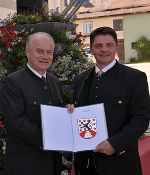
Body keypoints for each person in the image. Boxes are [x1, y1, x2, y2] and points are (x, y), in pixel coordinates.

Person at [73, 27, 150, 175]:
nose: (104, 50)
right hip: (86, 164)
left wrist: (114, 144)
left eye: (109, 45)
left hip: (120, 164)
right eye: (98, 46)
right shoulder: (81, 79)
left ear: (116, 47)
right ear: (92, 49)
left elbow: (141, 120)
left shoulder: (134, 78)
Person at [1, 32, 70, 175]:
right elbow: (16, 123)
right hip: (26, 165)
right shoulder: (13, 82)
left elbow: (54, 113)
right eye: (40, 51)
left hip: (52, 164)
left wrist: (67, 112)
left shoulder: (54, 81)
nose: (45, 56)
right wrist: (52, 140)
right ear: (28, 53)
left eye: (49, 52)